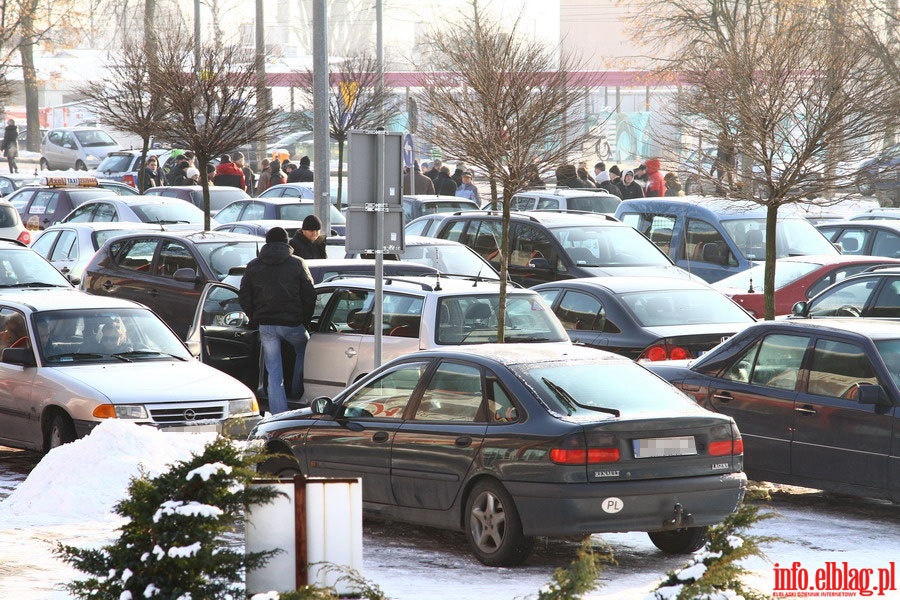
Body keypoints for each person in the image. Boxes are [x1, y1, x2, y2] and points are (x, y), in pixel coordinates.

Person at [238, 226, 316, 414]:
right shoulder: (298, 264)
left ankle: (278, 413)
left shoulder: (253, 265)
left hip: (266, 325)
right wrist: (304, 319)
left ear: (266, 242)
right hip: (292, 324)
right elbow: (310, 295)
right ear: (287, 242)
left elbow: (244, 296)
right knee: (305, 350)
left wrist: (254, 316)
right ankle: (297, 390)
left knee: (274, 372)